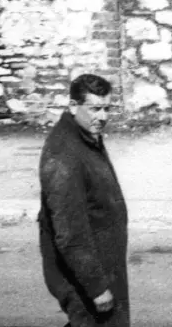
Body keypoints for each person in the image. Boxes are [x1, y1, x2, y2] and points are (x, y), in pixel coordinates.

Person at [38, 74, 129, 327]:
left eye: (106, 109)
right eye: (95, 109)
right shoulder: (64, 155)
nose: (102, 117)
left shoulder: (84, 136)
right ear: (73, 106)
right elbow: (69, 232)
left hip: (101, 265)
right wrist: (97, 288)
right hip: (83, 279)